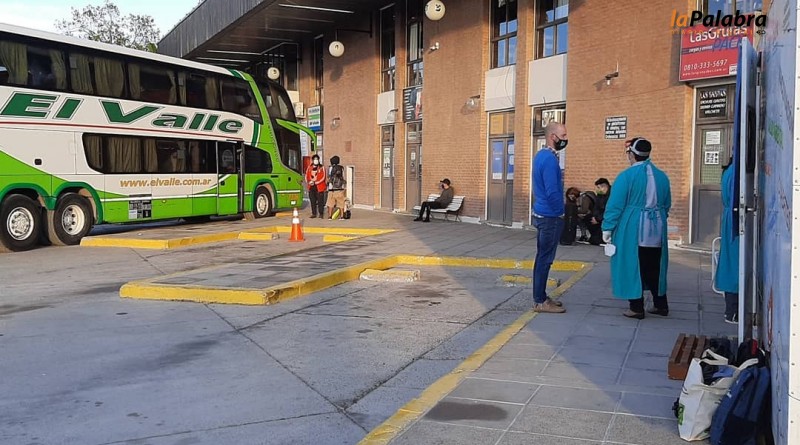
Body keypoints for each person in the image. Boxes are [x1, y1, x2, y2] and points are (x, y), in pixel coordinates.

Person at [601, 137, 672, 319]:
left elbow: (615, 205)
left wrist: (607, 227)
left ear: (631, 154)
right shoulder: (662, 176)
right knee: (655, 265)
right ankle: (661, 304)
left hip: (633, 227)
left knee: (633, 265)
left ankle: (636, 307)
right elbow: (667, 204)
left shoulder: (626, 176)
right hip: (657, 227)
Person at [531, 121, 568, 314]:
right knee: (545, 260)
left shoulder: (540, 156)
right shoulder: (550, 160)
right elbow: (552, 191)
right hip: (550, 216)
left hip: (542, 213)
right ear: (553, 137)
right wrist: (560, 211)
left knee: (542, 258)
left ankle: (541, 297)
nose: (566, 139)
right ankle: (540, 301)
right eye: (563, 136)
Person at [715, 155, 739, 324]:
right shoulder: (737, 174)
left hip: (730, 221)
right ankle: (734, 310)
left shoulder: (729, 172)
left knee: (730, 264)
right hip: (735, 223)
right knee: (735, 266)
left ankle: (731, 309)